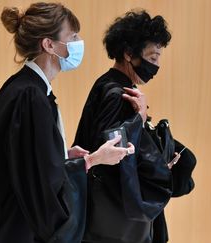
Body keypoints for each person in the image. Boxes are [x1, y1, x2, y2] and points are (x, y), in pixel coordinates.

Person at [0, 2, 134, 243]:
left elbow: (29, 160)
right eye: (72, 36)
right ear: (49, 44)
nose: (78, 42)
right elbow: (39, 182)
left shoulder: (26, 88)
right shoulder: (30, 96)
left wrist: (62, 154)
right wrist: (93, 160)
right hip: (6, 229)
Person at [73, 10, 179, 243]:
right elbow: (111, 150)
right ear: (129, 53)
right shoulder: (118, 93)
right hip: (114, 222)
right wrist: (139, 119)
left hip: (103, 215)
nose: (157, 66)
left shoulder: (105, 83)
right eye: (152, 58)